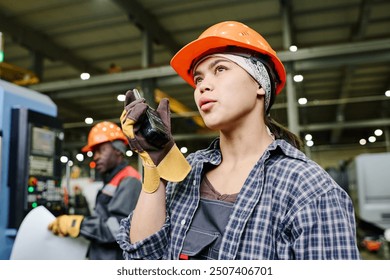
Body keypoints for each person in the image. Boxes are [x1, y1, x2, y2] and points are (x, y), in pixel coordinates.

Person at [117, 21, 361, 259]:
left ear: (260, 84)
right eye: (199, 78)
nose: (202, 86)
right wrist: (154, 166)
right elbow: (143, 259)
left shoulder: (308, 189)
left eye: (220, 69)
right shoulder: (187, 172)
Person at [48, 121, 142, 260]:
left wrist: (79, 224)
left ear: (118, 150)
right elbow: (103, 217)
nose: (95, 157)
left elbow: (117, 228)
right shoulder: (112, 179)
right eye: (94, 152)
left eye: (100, 150)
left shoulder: (129, 181)